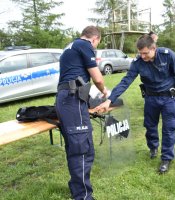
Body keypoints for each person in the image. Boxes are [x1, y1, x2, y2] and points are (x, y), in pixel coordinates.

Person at [97, 34, 175, 173]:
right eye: (140, 53)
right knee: (150, 126)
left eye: (145, 53)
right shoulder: (138, 62)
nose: (143, 56)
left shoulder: (167, 55)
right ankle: (153, 147)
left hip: (168, 98)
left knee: (169, 128)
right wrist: (109, 100)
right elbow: (126, 81)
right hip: (151, 98)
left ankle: (166, 158)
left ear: (154, 48)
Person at [55, 25, 108, 200]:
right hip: (73, 99)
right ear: (95, 39)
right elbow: (97, 78)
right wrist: (106, 92)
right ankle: (83, 196)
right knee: (82, 149)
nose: (95, 46)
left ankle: (77, 189)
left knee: (75, 147)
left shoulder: (70, 46)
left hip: (66, 98)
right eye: (97, 43)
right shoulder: (85, 45)